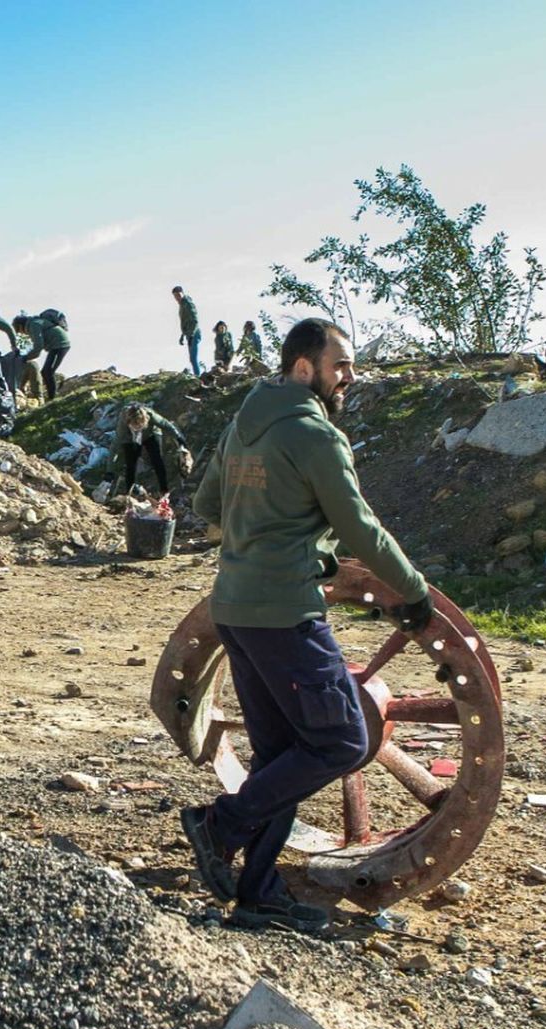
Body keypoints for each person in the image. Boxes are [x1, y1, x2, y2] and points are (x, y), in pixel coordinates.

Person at [184, 317, 432, 934]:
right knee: (341, 741)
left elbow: (205, 505)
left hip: (233, 609)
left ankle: (260, 892)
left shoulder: (242, 425)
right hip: (286, 613)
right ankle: (219, 825)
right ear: (304, 367)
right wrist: (413, 590)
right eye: (339, 364)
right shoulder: (315, 435)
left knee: (278, 756)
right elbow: (359, 527)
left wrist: (261, 527)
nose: (349, 375)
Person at [115, 403, 188, 497]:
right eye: (136, 427)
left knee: (157, 459)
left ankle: (163, 488)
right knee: (130, 463)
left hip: (151, 434)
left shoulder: (151, 416)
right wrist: (110, 471)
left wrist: (179, 437)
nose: (138, 429)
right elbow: (115, 447)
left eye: (140, 427)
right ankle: (130, 490)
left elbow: (166, 425)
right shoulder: (123, 425)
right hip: (130, 437)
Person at [13, 310, 71, 402]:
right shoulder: (34, 323)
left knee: (48, 371)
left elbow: (38, 347)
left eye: (20, 332)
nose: (23, 334)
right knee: (45, 372)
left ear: (20, 326)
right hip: (56, 346)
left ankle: (53, 399)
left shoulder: (33, 325)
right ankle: (51, 397)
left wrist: (25, 358)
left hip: (60, 344)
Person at [174, 286, 202, 376]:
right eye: (175, 296)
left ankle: (198, 377)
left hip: (194, 333)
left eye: (179, 295)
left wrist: (192, 335)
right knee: (192, 359)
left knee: (193, 358)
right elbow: (185, 322)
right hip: (188, 334)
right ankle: (198, 375)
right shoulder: (182, 305)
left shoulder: (188, 304)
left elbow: (195, 320)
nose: (177, 298)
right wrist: (182, 335)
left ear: (183, 293)